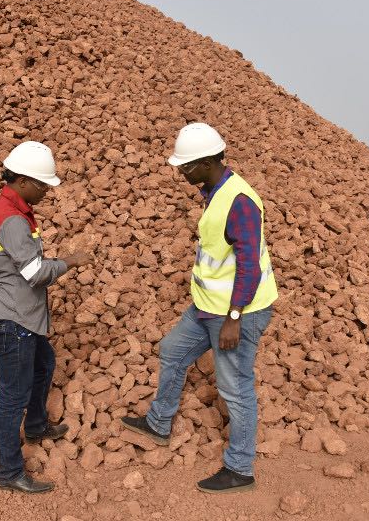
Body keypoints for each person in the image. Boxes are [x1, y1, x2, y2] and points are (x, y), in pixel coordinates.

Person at [121, 123, 278, 493]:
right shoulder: (212, 189)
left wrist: (234, 318)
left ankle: (240, 469)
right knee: (172, 352)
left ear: (208, 162)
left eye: (186, 166)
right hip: (205, 307)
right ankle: (159, 424)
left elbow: (249, 265)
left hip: (236, 313)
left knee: (235, 388)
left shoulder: (239, 201)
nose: (180, 172)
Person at [0, 140, 93, 494]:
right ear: (23, 180)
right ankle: (8, 471)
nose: (45, 191)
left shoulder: (14, 209)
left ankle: (38, 425)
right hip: (12, 318)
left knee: (44, 365)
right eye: (42, 184)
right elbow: (34, 273)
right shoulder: (11, 219)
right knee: (13, 395)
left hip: (22, 315)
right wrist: (69, 262)